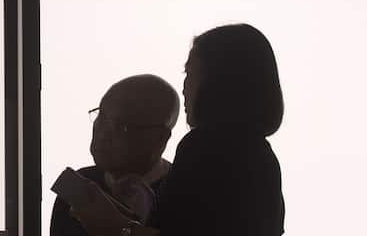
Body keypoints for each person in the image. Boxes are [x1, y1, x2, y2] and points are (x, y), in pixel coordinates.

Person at [71, 24, 285, 236]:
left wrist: (118, 227)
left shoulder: (207, 148)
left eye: (190, 73)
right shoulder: (262, 157)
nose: (184, 86)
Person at [51, 74, 181, 236]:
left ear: (159, 138)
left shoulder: (184, 194)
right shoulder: (79, 186)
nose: (103, 133)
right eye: (102, 116)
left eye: (120, 126)